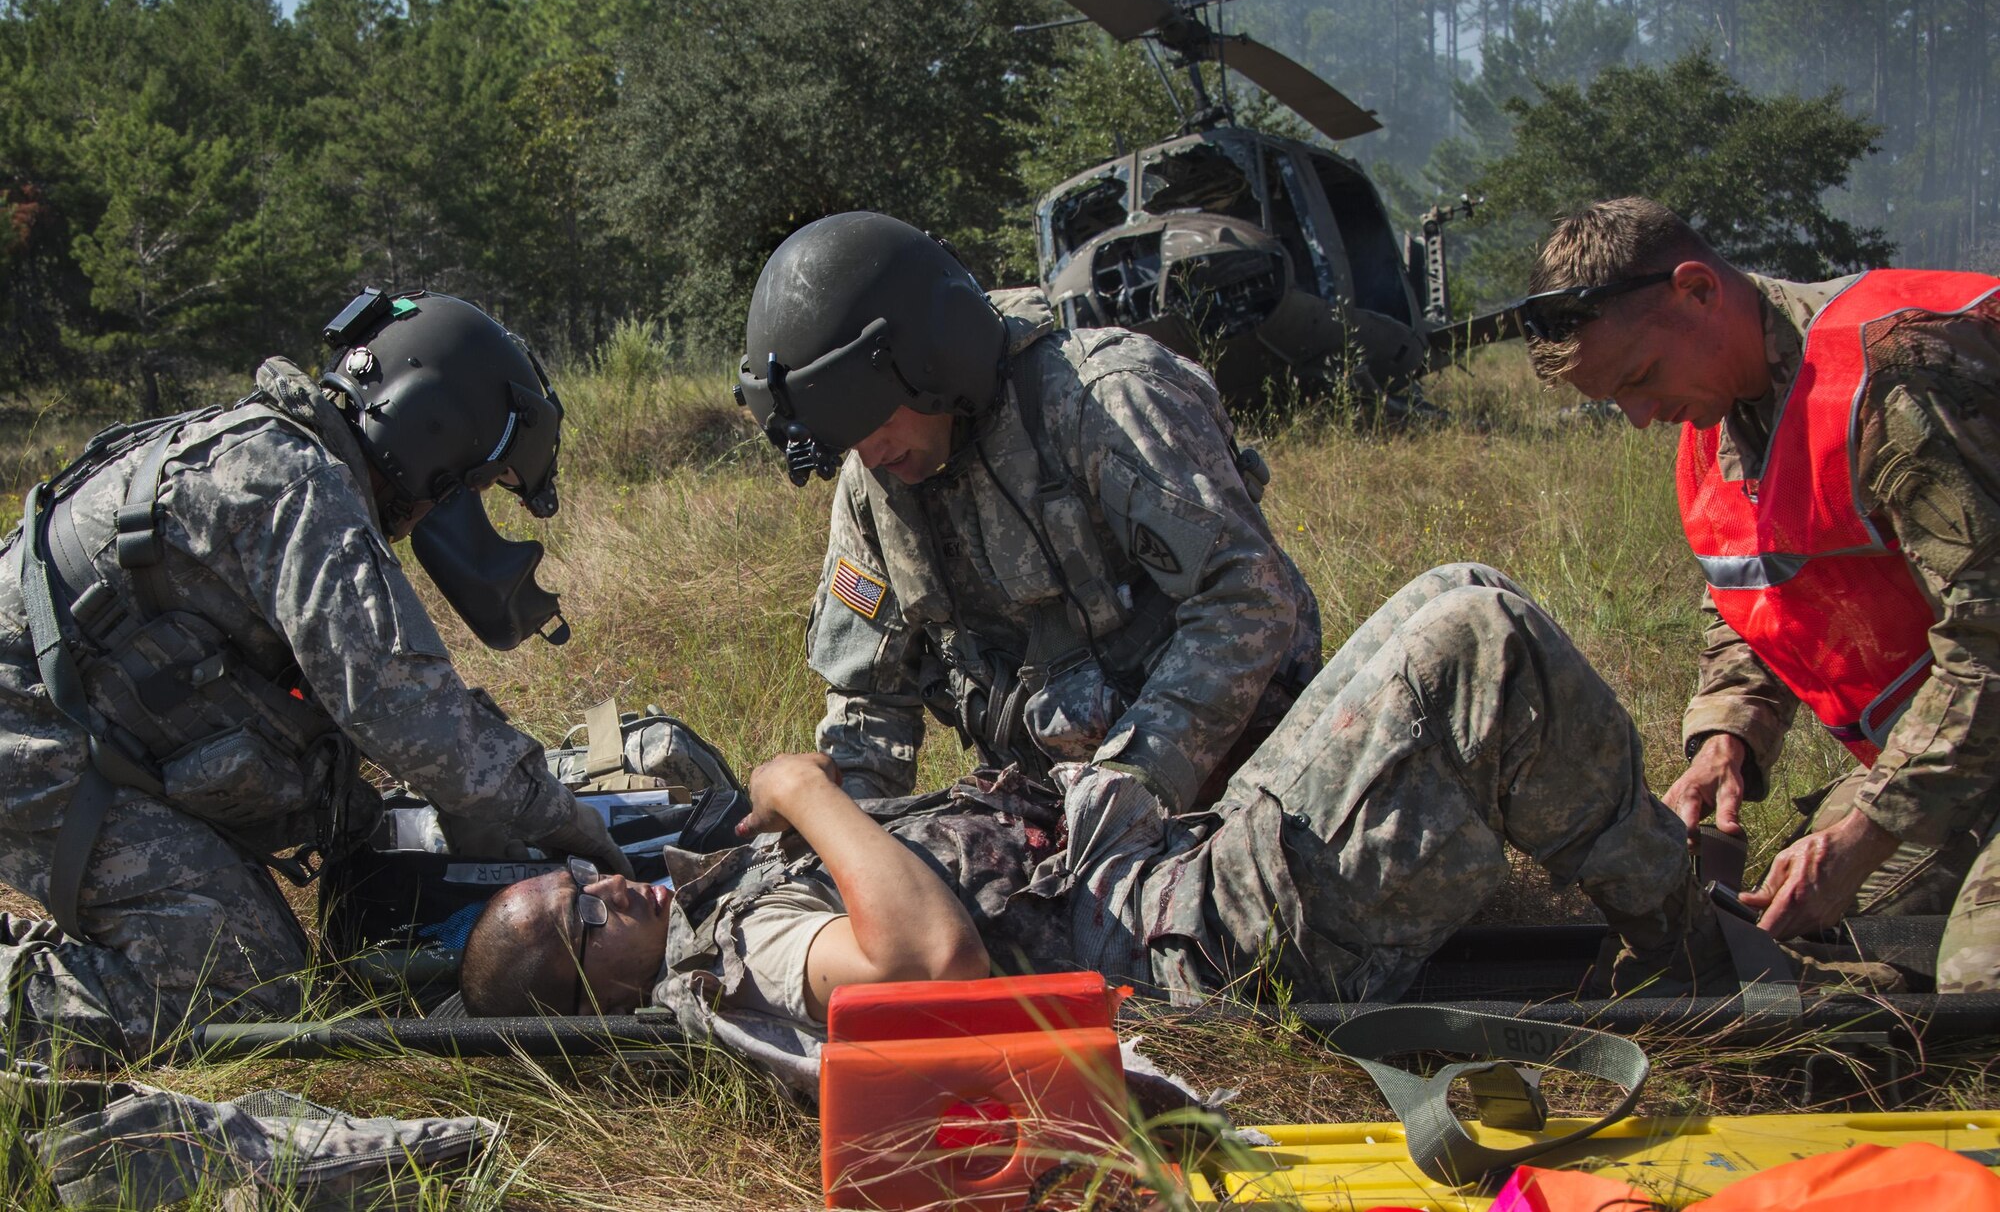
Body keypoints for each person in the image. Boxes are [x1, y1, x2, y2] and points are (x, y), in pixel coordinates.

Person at [462, 563, 1724, 1030]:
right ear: (603, 991)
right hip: (1213, 948)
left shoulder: (717, 894)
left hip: (1175, 861)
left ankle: (1666, 893)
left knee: (1454, 585)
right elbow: (931, 958)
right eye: (581, 923)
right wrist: (799, 788)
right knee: (1471, 641)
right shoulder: (746, 951)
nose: (602, 888)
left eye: (574, 883)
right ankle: (1700, 950)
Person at [0, 287, 631, 1062]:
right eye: (467, 485)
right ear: (428, 428)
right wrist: (556, 816)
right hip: (34, 739)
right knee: (244, 992)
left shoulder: (292, 459)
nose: (450, 509)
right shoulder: (293, 484)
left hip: (81, 714)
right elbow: (401, 706)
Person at [1513, 195, 2000, 992]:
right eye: (1615, 401)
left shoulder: (1900, 382)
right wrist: (1725, 743)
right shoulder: (1720, 419)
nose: (1641, 419)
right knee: (1774, 934)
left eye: (1640, 378)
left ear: (1698, 290)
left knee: (1979, 983)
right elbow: (1757, 605)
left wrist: (1868, 829)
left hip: (1976, 725)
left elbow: (1990, 638)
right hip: (1963, 759)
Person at [731, 211, 1322, 812]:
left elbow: (1246, 596)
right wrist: (841, 831)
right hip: (1057, 808)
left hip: (1247, 774)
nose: (870, 454)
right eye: (848, 440)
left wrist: (1141, 776)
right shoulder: (874, 483)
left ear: (935, 360)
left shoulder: (1104, 400)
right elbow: (871, 703)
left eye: (876, 422)